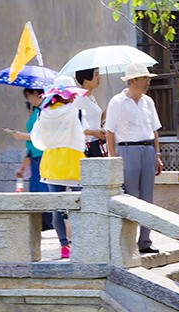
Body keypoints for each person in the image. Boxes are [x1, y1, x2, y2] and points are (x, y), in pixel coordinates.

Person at [104, 62, 163, 254]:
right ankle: (127, 241)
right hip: (127, 150)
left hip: (148, 149)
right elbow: (109, 131)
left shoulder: (148, 102)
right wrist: (114, 159)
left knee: (147, 196)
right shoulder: (117, 102)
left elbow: (154, 129)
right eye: (144, 78)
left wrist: (158, 155)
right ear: (133, 80)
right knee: (130, 196)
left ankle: (145, 240)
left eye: (147, 78)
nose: (147, 82)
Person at [31, 77, 88, 259]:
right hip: (73, 161)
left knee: (57, 206)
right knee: (80, 204)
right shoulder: (77, 112)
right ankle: (80, 242)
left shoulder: (44, 113)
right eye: (72, 93)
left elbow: (37, 140)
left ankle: (64, 246)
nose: (74, 97)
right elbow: (85, 134)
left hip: (52, 162)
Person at [10, 87, 54, 232]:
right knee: (36, 192)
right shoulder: (36, 111)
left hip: (43, 155)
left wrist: (20, 135)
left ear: (36, 94)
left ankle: (48, 224)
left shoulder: (44, 110)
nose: (29, 100)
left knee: (43, 191)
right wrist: (23, 166)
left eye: (29, 96)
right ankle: (41, 225)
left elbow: (41, 134)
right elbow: (30, 145)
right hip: (34, 157)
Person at [74, 68, 106, 158]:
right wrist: (93, 133)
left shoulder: (91, 97)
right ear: (86, 77)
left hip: (97, 145)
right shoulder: (79, 98)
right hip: (88, 148)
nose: (99, 78)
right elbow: (76, 126)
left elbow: (94, 121)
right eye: (96, 74)